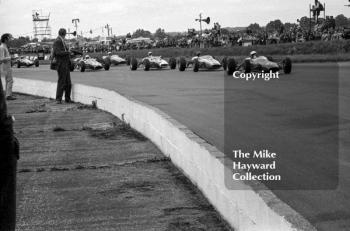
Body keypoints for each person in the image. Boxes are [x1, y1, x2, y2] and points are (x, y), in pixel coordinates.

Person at [52, 28, 72, 104]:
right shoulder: (58, 41)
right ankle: (58, 99)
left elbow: (60, 52)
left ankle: (67, 98)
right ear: (65, 34)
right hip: (61, 64)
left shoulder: (61, 41)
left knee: (68, 83)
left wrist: (67, 52)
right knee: (62, 82)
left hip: (65, 64)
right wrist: (67, 52)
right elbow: (58, 52)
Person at [0, 33, 16, 101]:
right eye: (9, 38)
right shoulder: (2, 47)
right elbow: (1, 59)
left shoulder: (4, 46)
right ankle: (8, 95)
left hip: (7, 66)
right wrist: (10, 58)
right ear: (5, 39)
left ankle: (8, 94)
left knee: (8, 81)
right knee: (10, 80)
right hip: (5, 66)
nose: (10, 40)